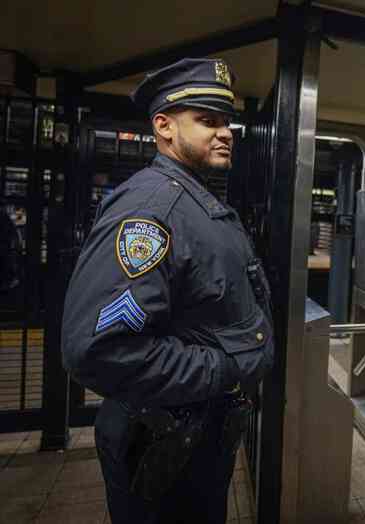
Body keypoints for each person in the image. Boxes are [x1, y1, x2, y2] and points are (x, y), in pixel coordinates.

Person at [61, 58, 274, 524]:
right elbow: (98, 349)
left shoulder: (195, 201)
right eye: (207, 121)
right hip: (165, 441)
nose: (225, 132)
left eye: (227, 122)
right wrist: (226, 366)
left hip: (194, 440)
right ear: (164, 127)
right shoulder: (152, 211)